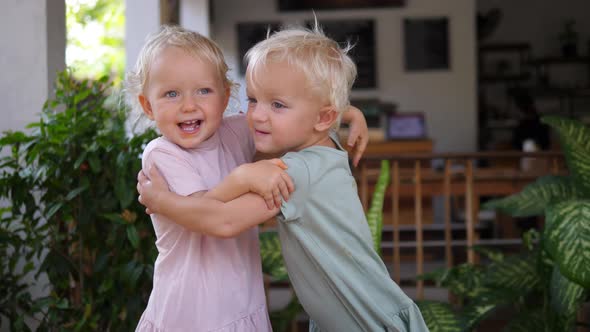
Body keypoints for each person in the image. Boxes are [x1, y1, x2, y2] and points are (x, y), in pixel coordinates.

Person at [137, 24, 428, 332]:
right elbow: (302, 108)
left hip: (365, 320)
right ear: (147, 104)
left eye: (275, 104)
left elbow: (222, 220)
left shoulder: (296, 172)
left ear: (224, 98)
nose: (258, 116)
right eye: (253, 100)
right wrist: (348, 113)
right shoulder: (172, 152)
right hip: (198, 309)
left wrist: (161, 201)